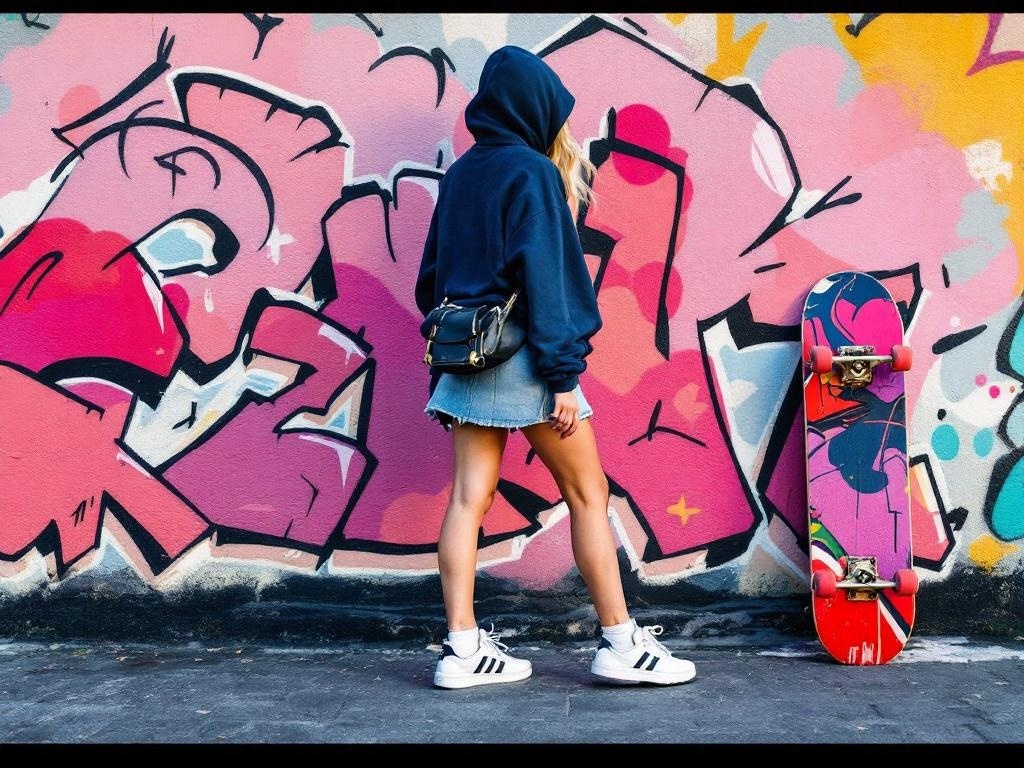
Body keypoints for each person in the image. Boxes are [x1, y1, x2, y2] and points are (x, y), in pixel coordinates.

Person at [415, 45, 697, 690]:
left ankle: (460, 649)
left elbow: (429, 280)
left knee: (466, 501)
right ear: (535, 108)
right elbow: (551, 281)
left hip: (464, 357)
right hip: (529, 363)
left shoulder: (460, 176)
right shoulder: (533, 174)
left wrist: (458, 345)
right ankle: (621, 643)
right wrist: (564, 376)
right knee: (588, 494)